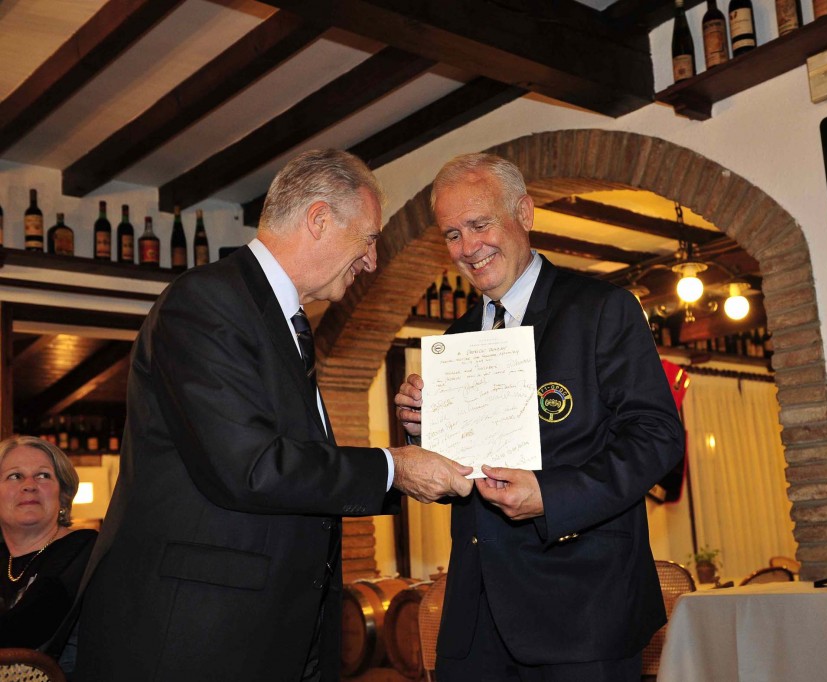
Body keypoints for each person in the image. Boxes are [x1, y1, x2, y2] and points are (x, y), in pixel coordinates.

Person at [67, 149, 473, 682]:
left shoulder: (283, 322)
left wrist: (417, 460)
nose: (373, 261)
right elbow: (251, 467)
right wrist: (395, 467)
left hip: (268, 633)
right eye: (370, 238)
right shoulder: (206, 302)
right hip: (195, 640)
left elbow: (304, 467)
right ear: (320, 219)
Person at [394, 153, 685, 681]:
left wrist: (552, 497)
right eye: (452, 234)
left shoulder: (603, 309)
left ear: (524, 213)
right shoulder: (454, 341)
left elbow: (658, 437)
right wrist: (422, 430)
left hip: (582, 612)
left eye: (479, 224)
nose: (467, 247)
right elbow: (457, 480)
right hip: (475, 620)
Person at [0, 436, 97, 649]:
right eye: (15, 476)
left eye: (43, 476)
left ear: (63, 495)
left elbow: (26, 629)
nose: (29, 486)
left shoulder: (82, 548)